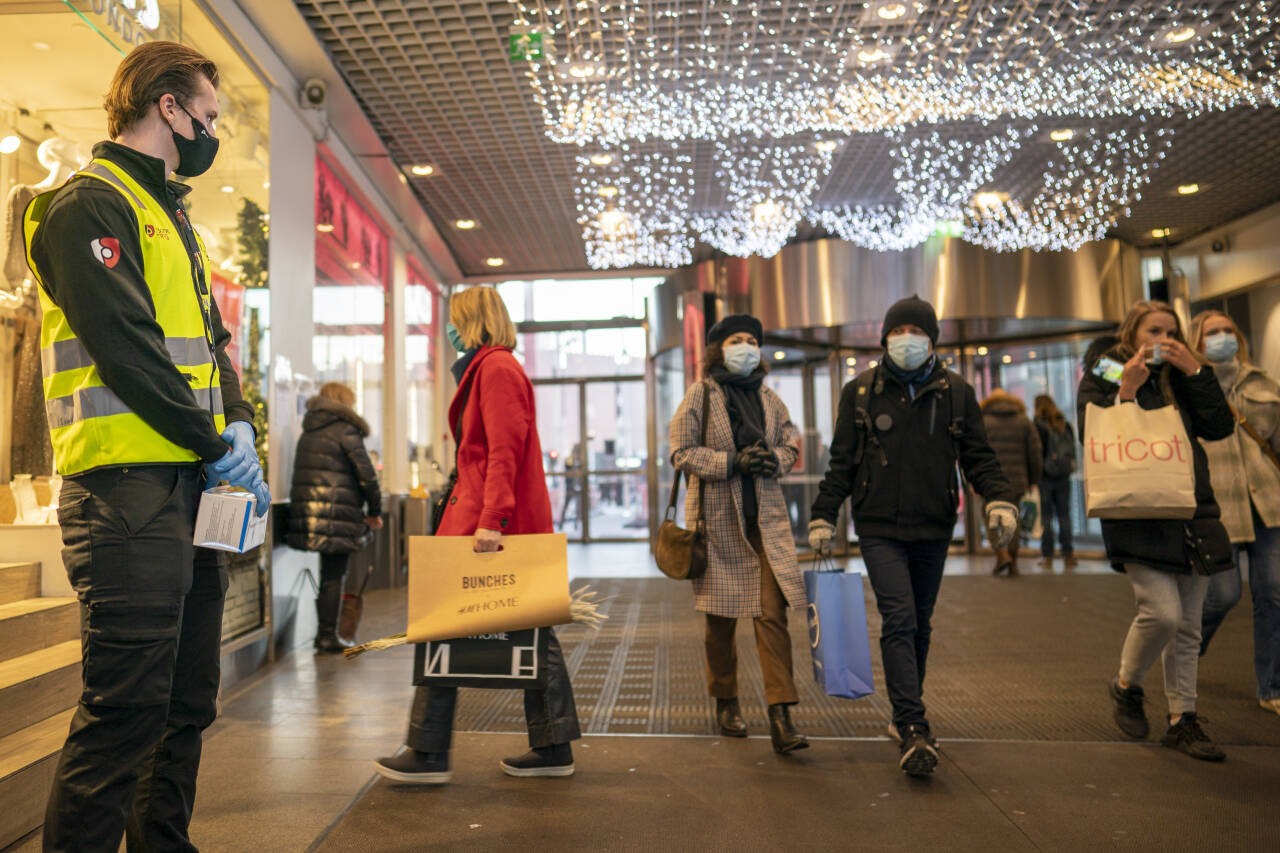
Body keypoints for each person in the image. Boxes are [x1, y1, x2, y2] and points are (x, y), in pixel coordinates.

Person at [22, 42, 270, 851]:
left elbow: (209, 342)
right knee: (123, 710)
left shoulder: (172, 218)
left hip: (190, 489)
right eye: (206, 113)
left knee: (185, 700)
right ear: (167, 105)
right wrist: (212, 439)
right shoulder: (86, 206)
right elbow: (127, 349)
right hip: (122, 494)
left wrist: (238, 424)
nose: (210, 130)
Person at [375, 286, 580, 784]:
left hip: (488, 525)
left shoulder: (495, 369)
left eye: (453, 320)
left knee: (446, 624)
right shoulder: (490, 369)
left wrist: (493, 518)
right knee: (527, 629)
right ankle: (549, 745)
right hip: (487, 519)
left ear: (471, 321)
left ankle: (429, 752)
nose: (448, 330)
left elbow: (503, 452)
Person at [808, 296, 1019, 776]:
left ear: (932, 340)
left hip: (934, 524)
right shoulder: (860, 392)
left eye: (916, 331)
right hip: (879, 526)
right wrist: (824, 515)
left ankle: (905, 710)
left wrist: (1000, 498)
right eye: (898, 330)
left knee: (920, 622)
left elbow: (979, 457)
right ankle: (912, 724)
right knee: (899, 616)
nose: (906, 339)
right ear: (884, 339)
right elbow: (842, 461)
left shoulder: (957, 392)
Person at [1079, 300, 1235, 761]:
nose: (1163, 340)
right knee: (1162, 613)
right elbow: (1094, 429)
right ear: (1132, 333)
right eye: (1153, 331)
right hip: (1136, 510)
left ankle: (1181, 719)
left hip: (1191, 506)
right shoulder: (1106, 367)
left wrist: (1197, 375)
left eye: (1171, 332)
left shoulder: (1186, 372)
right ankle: (1126, 685)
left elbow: (1219, 427)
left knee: (1188, 626)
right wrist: (1127, 389)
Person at [669, 313, 809, 754]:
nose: (746, 346)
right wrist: (732, 463)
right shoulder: (701, 395)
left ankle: (780, 715)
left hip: (763, 523)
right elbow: (680, 451)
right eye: (736, 340)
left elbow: (790, 443)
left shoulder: (770, 399)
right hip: (717, 524)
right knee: (720, 622)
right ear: (718, 349)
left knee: (772, 615)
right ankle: (725, 699)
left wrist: (776, 460)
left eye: (752, 339)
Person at [1188, 310, 1280, 718]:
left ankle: (1272, 687)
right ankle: (1187, 648)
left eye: (1228, 331)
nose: (1223, 337)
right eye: (1212, 333)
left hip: (1269, 505)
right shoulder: (1189, 386)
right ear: (1197, 341)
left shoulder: (1262, 382)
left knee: (1274, 596)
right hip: (1218, 508)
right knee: (1223, 596)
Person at [287, 381, 383, 654]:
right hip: (336, 513)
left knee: (328, 573)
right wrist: (375, 512)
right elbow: (366, 475)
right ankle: (327, 635)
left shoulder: (309, 430)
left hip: (309, 514)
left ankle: (325, 632)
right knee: (334, 574)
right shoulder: (345, 429)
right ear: (344, 401)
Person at [980, 388, 1043, 576]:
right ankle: (1013, 561)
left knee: (990, 517)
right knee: (1013, 518)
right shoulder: (1023, 421)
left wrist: (974, 480)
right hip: (1017, 478)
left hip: (989, 479)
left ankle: (1001, 553)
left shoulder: (983, 422)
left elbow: (975, 452)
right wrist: (1033, 479)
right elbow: (1035, 452)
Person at [1033, 394, 1078, 569]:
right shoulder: (1063, 423)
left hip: (1045, 477)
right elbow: (1072, 449)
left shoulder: (1037, 425)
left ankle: (1048, 556)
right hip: (1063, 476)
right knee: (1064, 515)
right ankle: (1068, 554)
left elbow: (1036, 453)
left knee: (1046, 517)